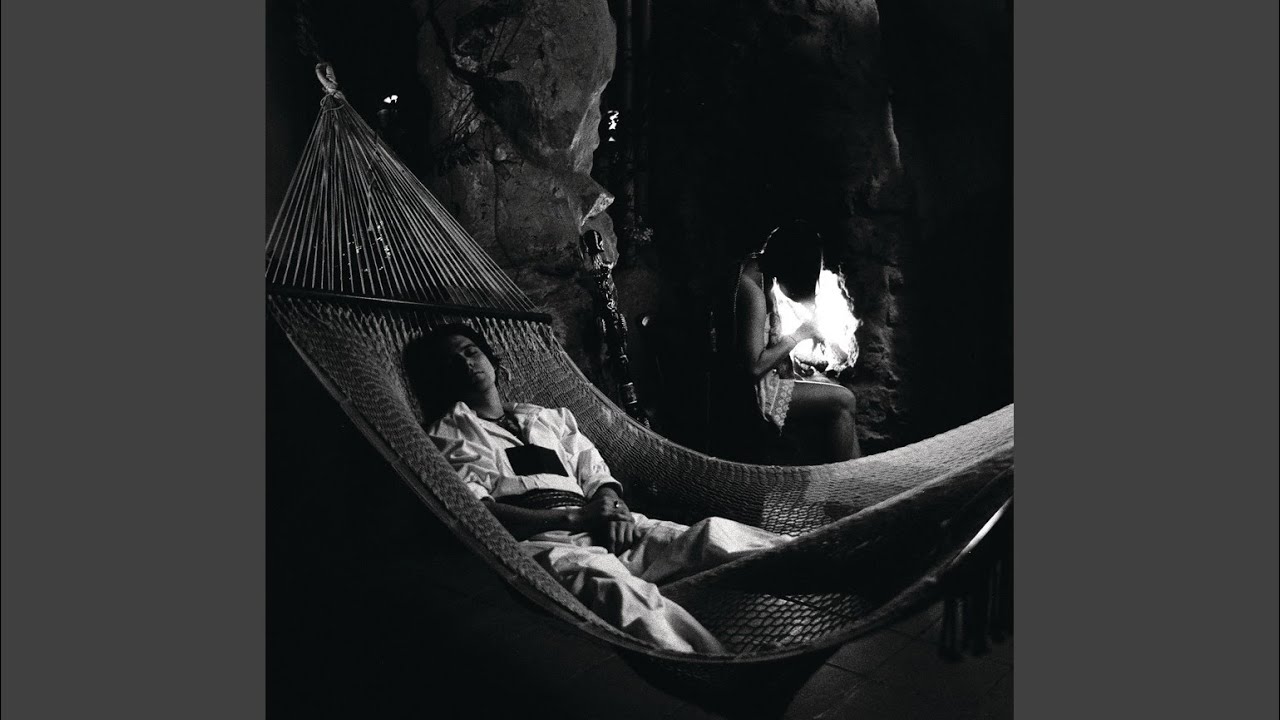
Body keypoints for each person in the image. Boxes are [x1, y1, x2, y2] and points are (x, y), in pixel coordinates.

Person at [413, 324, 787, 654]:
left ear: (491, 359)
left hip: (605, 524)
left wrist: (613, 508)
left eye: (471, 352)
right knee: (624, 596)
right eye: (452, 362)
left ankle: (811, 555)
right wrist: (576, 517)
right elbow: (478, 512)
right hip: (546, 544)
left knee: (710, 535)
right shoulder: (452, 432)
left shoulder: (549, 417)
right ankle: (719, 665)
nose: (466, 363)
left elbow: (593, 472)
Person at [734, 222, 862, 462]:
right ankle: (847, 480)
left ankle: (855, 477)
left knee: (827, 384)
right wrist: (799, 335)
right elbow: (754, 368)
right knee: (845, 400)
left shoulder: (758, 268)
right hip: (755, 398)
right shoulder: (752, 292)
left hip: (764, 383)